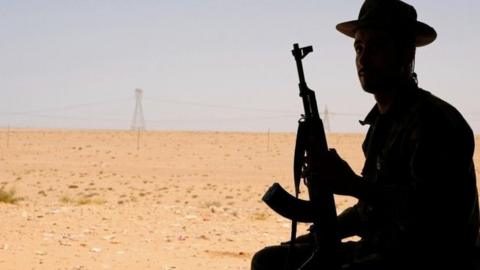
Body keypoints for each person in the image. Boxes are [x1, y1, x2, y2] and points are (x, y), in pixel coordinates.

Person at [251, 0, 479, 269]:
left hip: (430, 256)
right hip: (384, 247)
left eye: (377, 46)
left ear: (406, 53)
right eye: (359, 47)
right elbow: (371, 209)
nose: (363, 57)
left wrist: (352, 185)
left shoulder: (435, 122)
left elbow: (434, 215)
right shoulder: (381, 125)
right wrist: (325, 231)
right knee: (272, 260)